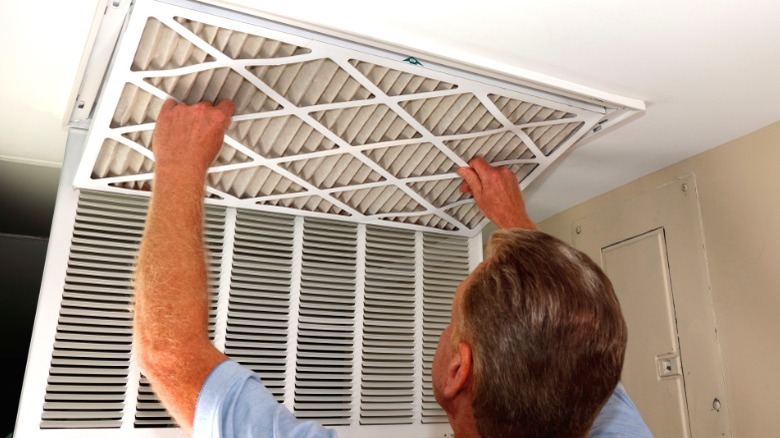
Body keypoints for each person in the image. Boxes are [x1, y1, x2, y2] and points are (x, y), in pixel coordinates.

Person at [133, 98, 653, 437]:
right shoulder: (597, 402)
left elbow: (171, 352)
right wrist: (513, 224)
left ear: (457, 372)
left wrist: (178, 164)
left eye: (454, 316)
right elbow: (572, 332)